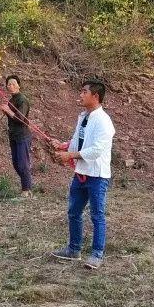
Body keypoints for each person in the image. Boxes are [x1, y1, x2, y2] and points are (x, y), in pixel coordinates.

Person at [51, 79, 115, 270]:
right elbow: (80, 142)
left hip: (97, 176)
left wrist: (70, 154)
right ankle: (74, 249)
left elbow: (96, 150)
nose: (80, 95)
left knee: (97, 215)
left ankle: (97, 254)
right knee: (74, 212)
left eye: (84, 92)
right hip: (81, 173)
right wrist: (64, 145)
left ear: (95, 96)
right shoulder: (84, 117)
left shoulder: (104, 121)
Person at [0, 75, 34, 196]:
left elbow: (21, 119)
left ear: (19, 85)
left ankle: (26, 189)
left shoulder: (22, 100)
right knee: (15, 163)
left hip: (23, 135)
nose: (11, 86)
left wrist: (8, 111)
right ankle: (27, 184)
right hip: (13, 135)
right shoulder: (11, 100)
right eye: (9, 84)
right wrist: (6, 111)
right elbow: (11, 116)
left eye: (13, 84)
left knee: (22, 162)